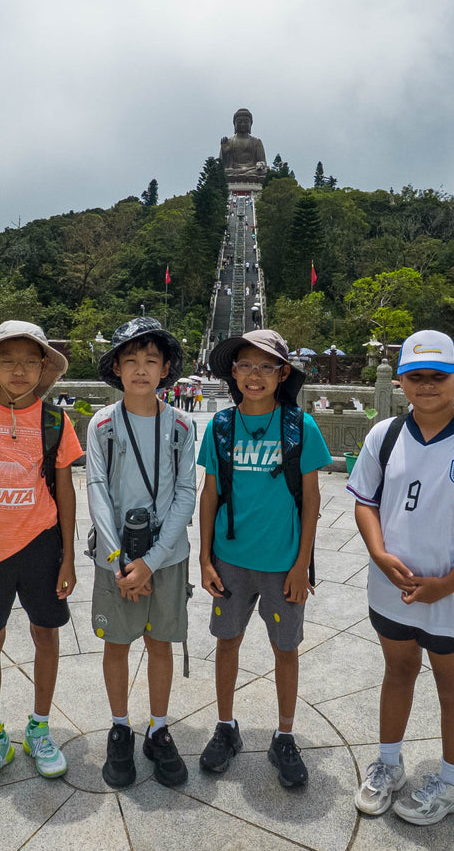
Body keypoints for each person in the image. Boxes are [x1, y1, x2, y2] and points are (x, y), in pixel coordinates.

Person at [346, 330, 454, 826]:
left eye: (438, 376)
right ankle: (387, 764)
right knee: (397, 672)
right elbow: (365, 502)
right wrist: (378, 552)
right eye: (416, 376)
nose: (427, 386)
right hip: (392, 587)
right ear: (401, 380)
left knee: (452, 685)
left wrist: (447, 583)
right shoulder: (383, 435)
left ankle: (451, 782)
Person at [0, 321, 82, 794]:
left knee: (46, 634)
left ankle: (39, 729)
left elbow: (65, 492)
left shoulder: (55, 422)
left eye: (30, 359)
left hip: (42, 547)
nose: (19, 369)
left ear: (44, 366)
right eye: (9, 360)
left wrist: (68, 558)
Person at [197, 329, 332, 788]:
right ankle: (225, 726)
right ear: (232, 373)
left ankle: (284, 734)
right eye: (245, 366)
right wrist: (205, 559)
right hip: (231, 559)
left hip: (282, 562)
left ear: (282, 374)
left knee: (286, 648)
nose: (254, 375)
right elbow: (210, 493)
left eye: (265, 366)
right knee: (227, 641)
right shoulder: (220, 427)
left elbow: (311, 500)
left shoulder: (300, 426)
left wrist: (302, 564)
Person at [86, 318, 198, 789]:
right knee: (117, 644)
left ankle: (157, 726)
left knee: (160, 644)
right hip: (115, 562)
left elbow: (186, 493)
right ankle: (119, 726)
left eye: (151, 360)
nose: (140, 369)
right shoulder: (103, 424)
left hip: (166, 559)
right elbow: (96, 490)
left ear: (166, 368)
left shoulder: (181, 424)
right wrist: (119, 562)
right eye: (130, 359)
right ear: (116, 367)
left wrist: (150, 561)